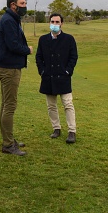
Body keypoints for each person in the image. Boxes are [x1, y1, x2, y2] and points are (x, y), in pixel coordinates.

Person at [0, 0, 33, 156]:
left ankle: (8, 139)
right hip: (9, 68)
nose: (25, 6)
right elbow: (13, 45)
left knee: (6, 104)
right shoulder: (9, 20)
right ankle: (8, 144)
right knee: (10, 105)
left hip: (6, 66)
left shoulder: (9, 19)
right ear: (13, 5)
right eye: (22, 3)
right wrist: (27, 50)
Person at [36, 13, 78, 144]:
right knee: (51, 106)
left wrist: (68, 71)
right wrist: (42, 71)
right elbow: (38, 57)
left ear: (62, 23)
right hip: (48, 77)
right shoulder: (43, 39)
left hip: (63, 76)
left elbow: (73, 56)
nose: (54, 24)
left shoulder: (68, 39)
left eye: (57, 22)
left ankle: (72, 131)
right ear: (49, 23)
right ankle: (56, 128)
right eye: (52, 22)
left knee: (68, 104)